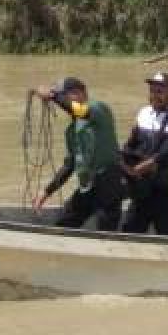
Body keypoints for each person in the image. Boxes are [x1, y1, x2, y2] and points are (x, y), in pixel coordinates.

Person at [29, 78, 125, 231]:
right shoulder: (72, 130)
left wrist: (53, 95)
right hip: (87, 186)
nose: (62, 102)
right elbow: (70, 165)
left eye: (65, 96)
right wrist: (46, 192)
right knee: (64, 225)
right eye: (62, 97)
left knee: (106, 231)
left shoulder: (98, 109)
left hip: (109, 183)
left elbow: (79, 111)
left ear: (81, 93)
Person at [121, 71, 168, 236]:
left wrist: (132, 172)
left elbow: (163, 156)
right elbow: (129, 146)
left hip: (167, 194)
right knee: (130, 233)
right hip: (142, 191)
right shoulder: (143, 113)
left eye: (160, 91)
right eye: (152, 91)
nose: (154, 95)